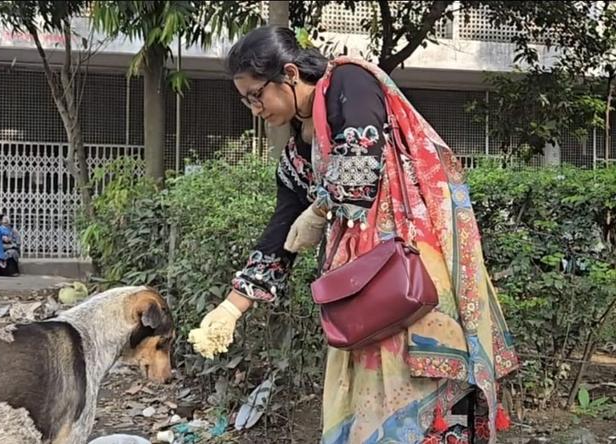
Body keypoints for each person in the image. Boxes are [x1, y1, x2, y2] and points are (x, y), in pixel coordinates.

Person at [187, 26, 519, 443]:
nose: (254, 108)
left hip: (412, 273)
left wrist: (320, 209)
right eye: (245, 100)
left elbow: (361, 167)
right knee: (365, 406)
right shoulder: (296, 159)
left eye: (257, 94)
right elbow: (281, 238)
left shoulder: (349, 81)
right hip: (362, 296)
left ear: (289, 73)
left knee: (427, 392)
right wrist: (231, 310)